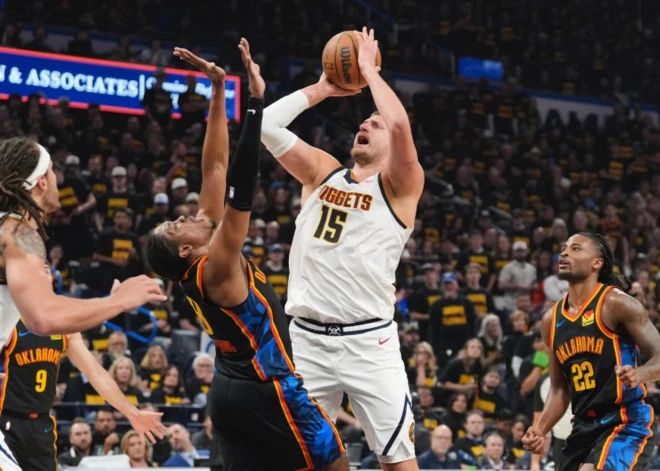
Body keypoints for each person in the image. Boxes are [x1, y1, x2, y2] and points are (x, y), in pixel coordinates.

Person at [146, 43, 347, 471]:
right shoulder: (216, 265)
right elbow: (239, 185)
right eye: (175, 226)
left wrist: (219, 90)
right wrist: (255, 102)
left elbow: (216, 166)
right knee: (334, 463)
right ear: (185, 249)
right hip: (267, 387)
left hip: (229, 390)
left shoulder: (201, 251)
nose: (182, 216)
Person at [260, 27, 424, 470]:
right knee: (302, 461)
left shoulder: (400, 187)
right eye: (363, 121)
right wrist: (322, 90)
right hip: (307, 341)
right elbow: (265, 125)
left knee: (398, 463)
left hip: (369, 343)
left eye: (374, 123)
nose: (365, 124)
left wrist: (369, 71)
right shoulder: (322, 173)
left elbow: (399, 124)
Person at [0, 143, 164, 471]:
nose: (59, 180)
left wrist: (131, 413)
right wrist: (116, 302)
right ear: (41, 181)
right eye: (53, 172)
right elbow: (44, 317)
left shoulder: (12, 230)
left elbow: (58, 320)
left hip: (38, 427)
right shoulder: (17, 233)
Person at [523, 233, 660, 471]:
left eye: (575, 249)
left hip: (625, 420)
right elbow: (559, 389)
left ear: (597, 263)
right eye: (564, 249)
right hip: (584, 425)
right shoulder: (550, 320)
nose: (564, 253)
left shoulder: (617, 303)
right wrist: (540, 429)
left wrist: (640, 374)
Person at [0, 319, 167, 471]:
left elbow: (95, 373)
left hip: (41, 424)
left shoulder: (63, 325)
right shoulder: (9, 320)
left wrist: (132, 412)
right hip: (6, 420)